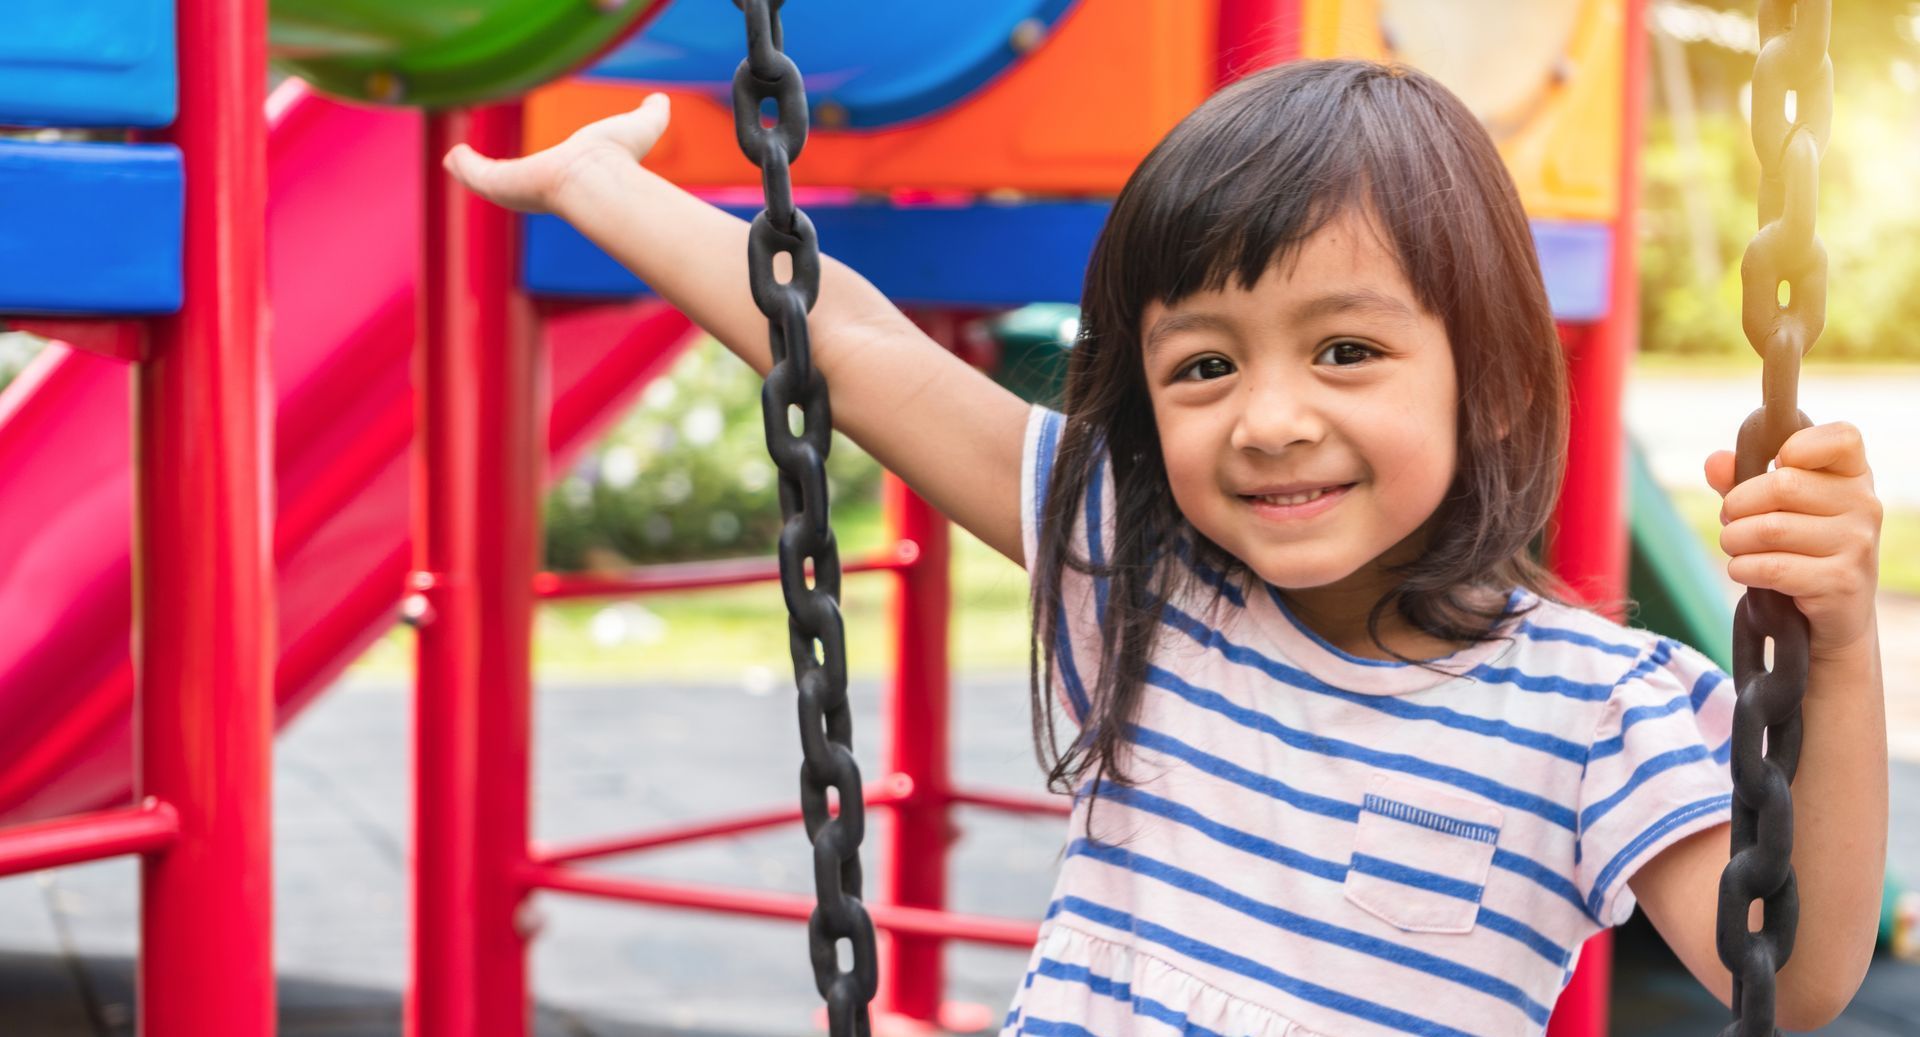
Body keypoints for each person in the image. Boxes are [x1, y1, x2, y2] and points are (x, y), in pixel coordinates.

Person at [445, 59, 1887, 1036]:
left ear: (1492, 382)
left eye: (1343, 350)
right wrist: (604, 189)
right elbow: (865, 346)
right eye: (1202, 368)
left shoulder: (1598, 703)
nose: (1267, 418)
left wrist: (1833, 650)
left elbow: (1795, 965)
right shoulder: (1133, 564)